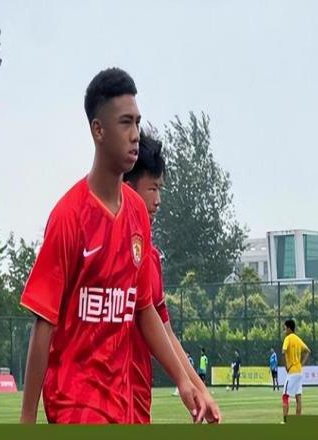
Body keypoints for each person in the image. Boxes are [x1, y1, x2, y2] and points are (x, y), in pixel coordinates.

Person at [20, 68, 204, 424]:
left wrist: (184, 381)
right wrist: (27, 418)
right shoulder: (69, 216)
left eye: (137, 122)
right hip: (75, 402)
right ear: (98, 130)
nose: (135, 135)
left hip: (122, 402)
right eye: (125, 123)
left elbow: (144, 308)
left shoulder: (136, 214)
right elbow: (44, 324)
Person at [123, 131, 220, 423]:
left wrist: (200, 390)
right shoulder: (102, 246)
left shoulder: (150, 256)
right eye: (152, 189)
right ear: (128, 188)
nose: (158, 200)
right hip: (97, 398)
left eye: (160, 189)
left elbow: (164, 330)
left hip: (137, 398)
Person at [281, 319, 311, 423]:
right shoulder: (298, 339)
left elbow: (283, 352)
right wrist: (301, 364)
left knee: (285, 396)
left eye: (285, 328)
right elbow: (308, 351)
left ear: (289, 328)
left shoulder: (288, 338)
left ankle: (285, 421)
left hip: (292, 372)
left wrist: (286, 367)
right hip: (299, 371)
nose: (284, 330)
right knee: (298, 397)